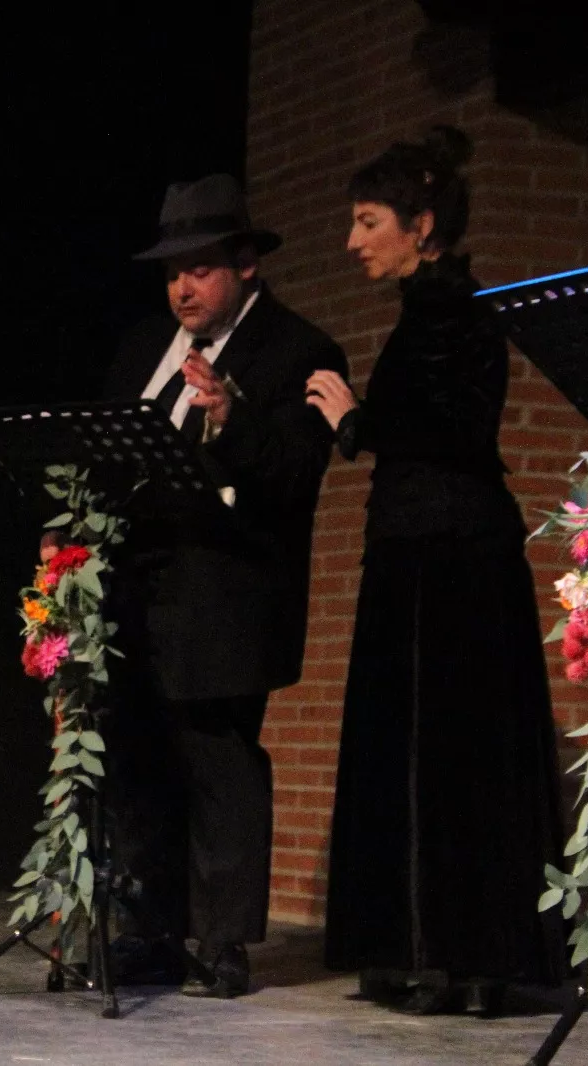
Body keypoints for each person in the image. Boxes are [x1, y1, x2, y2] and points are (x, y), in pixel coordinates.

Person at [305, 127, 564, 1013]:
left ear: (420, 225)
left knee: (445, 753)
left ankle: (456, 953)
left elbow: (456, 434)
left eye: (367, 220)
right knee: (433, 753)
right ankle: (434, 949)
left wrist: (355, 419)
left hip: (447, 559)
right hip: (432, 549)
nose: (352, 240)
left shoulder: (454, 311)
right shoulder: (431, 312)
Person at [93, 174, 347, 997]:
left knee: (218, 762)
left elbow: (299, 473)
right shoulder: (142, 349)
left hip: (226, 593)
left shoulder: (298, 350)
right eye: (171, 272)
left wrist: (234, 422)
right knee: (138, 759)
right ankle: (151, 930)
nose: (181, 287)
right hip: (138, 588)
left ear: (243, 263)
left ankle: (223, 940)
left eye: (198, 268)